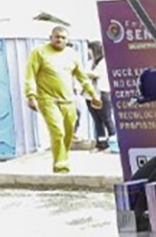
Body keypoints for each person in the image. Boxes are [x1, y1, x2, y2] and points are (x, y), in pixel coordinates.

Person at [23, 25, 100, 173]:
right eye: (57, 37)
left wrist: (93, 95)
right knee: (58, 131)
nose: (59, 40)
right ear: (50, 37)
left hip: (68, 100)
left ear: (67, 40)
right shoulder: (38, 52)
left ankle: (63, 156)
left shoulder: (72, 55)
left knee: (69, 133)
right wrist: (31, 95)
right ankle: (60, 164)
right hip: (48, 100)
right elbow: (30, 75)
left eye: (63, 37)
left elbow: (82, 77)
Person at [87, 42, 114, 152]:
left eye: (90, 49)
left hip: (102, 93)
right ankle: (101, 144)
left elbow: (96, 74)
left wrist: (83, 73)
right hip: (90, 95)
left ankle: (114, 144)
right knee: (97, 121)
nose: (88, 52)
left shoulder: (104, 62)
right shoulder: (90, 63)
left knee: (107, 119)